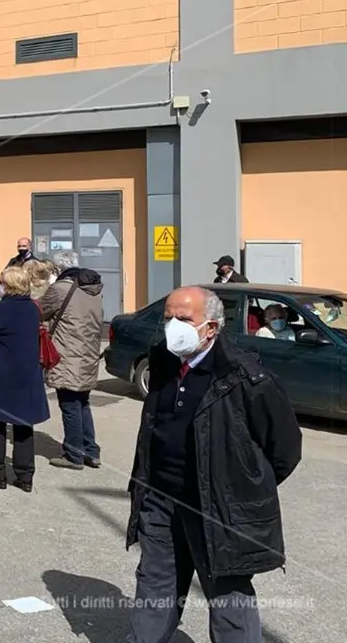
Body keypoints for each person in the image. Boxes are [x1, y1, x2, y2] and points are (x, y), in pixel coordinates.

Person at [126, 286, 301, 642]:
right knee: (155, 585)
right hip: (160, 501)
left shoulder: (245, 376)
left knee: (228, 597)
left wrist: (240, 490)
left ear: (211, 327)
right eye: (168, 318)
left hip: (216, 509)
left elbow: (284, 449)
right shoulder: (162, 362)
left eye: (183, 319)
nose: (173, 327)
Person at [0, 266, 49, 493]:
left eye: (1, 282)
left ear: (9, 285)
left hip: (3, 373)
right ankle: (25, 476)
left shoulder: (1, 309)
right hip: (27, 372)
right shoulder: (33, 307)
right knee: (24, 424)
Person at [40, 251, 105, 471]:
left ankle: (73, 454)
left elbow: (39, 310)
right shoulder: (93, 290)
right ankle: (91, 451)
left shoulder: (60, 289)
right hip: (87, 354)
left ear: (58, 269)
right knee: (82, 403)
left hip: (67, 355)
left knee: (69, 405)